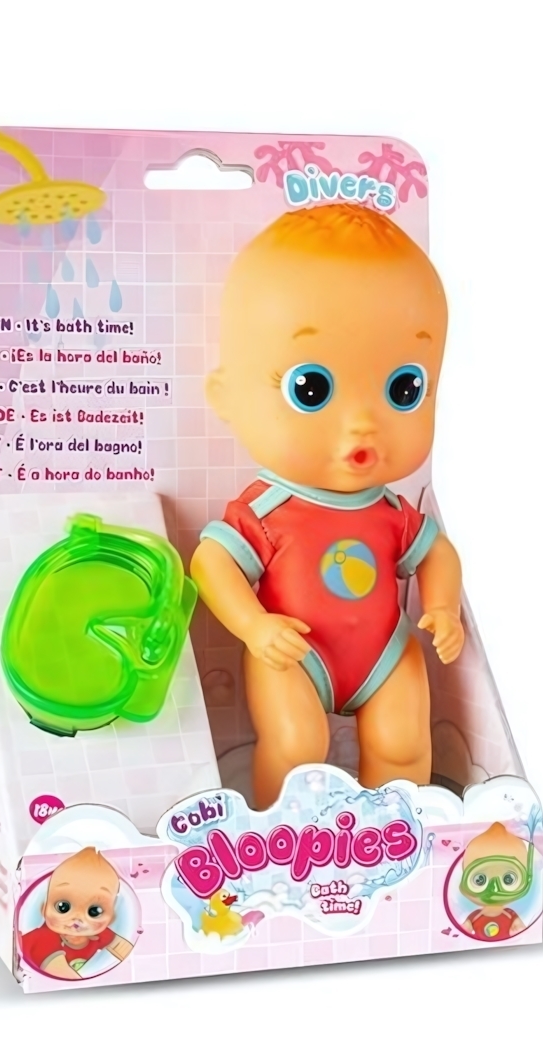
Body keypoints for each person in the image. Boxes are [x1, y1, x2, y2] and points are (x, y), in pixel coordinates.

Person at [192, 203, 465, 807]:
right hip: (294, 652)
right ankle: (284, 834)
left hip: (384, 652)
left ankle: (394, 832)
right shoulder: (268, 509)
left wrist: (444, 607)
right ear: (227, 397)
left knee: (402, 746)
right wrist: (253, 626)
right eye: (311, 389)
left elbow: (436, 552)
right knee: (297, 747)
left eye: (404, 389)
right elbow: (211, 561)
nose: (364, 422)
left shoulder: (391, 511)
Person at [20, 847, 133, 979]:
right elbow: (63, 977)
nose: (77, 918)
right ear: (44, 910)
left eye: (94, 911)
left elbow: (128, 950)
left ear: (110, 918)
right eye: (63, 907)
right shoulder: (43, 939)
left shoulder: (97, 934)